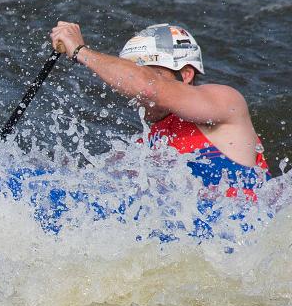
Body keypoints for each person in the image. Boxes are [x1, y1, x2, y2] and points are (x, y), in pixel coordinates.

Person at [50, 21, 269, 198]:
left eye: (151, 74)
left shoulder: (225, 103)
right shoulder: (143, 147)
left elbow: (148, 88)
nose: (132, 89)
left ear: (185, 75)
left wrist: (80, 51)